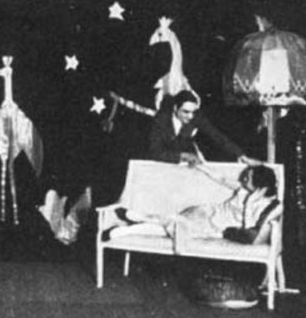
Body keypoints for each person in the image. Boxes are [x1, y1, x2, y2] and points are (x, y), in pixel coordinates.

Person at [106, 165, 280, 250]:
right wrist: (201, 165)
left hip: (213, 228)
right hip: (206, 212)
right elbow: (221, 179)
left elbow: (248, 232)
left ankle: (132, 224)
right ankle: (132, 223)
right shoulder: (243, 189)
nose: (243, 180)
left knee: (173, 227)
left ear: (261, 187)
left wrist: (249, 205)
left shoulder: (264, 206)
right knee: (175, 225)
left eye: (248, 179)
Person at [148, 89, 261, 167]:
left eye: (193, 112)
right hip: (163, 164)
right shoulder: (161, 120)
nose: (190, 116)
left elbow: (217, 136)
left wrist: (240, 155)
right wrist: (183, 156)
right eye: (185, 112)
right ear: (175, 108)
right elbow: (155, 152)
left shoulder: (196, 117)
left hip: (188, 162)